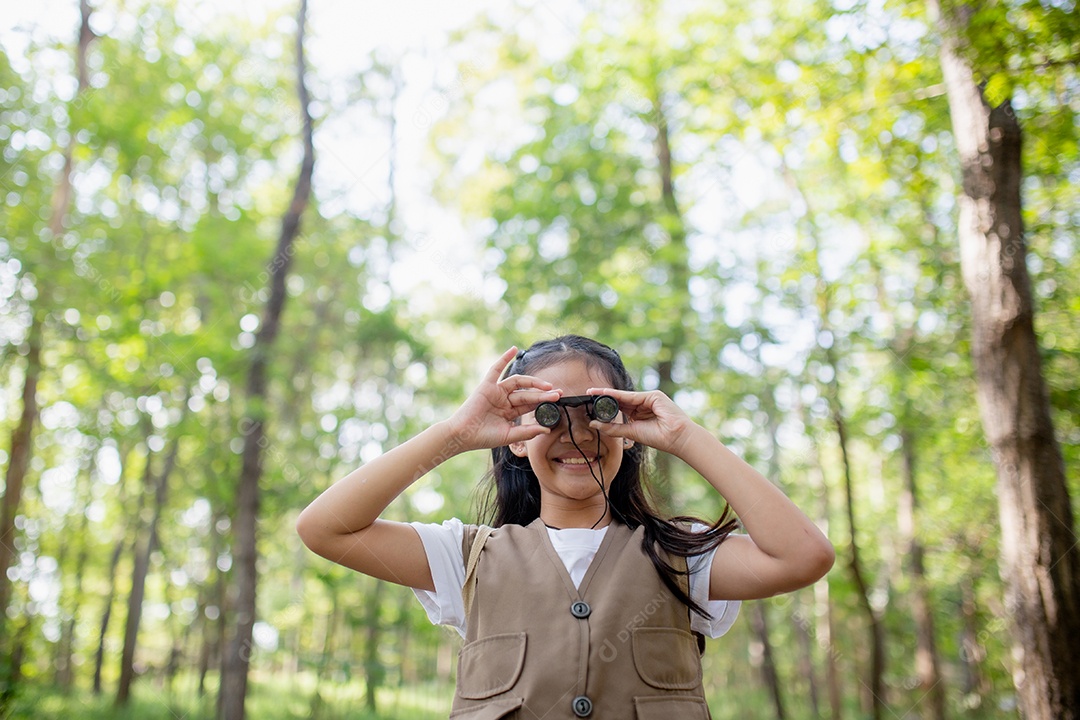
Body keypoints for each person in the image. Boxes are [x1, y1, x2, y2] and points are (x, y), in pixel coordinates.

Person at [297, 335, 834, 719]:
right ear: (516, 435)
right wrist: (456, 433)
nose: (576, 437)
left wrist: (683, 436)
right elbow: (325, 528)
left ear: (628, 430)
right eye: (550, 415)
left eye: (597, 414)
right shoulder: (466, 558)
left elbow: (803, 556)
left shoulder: (678, 553)